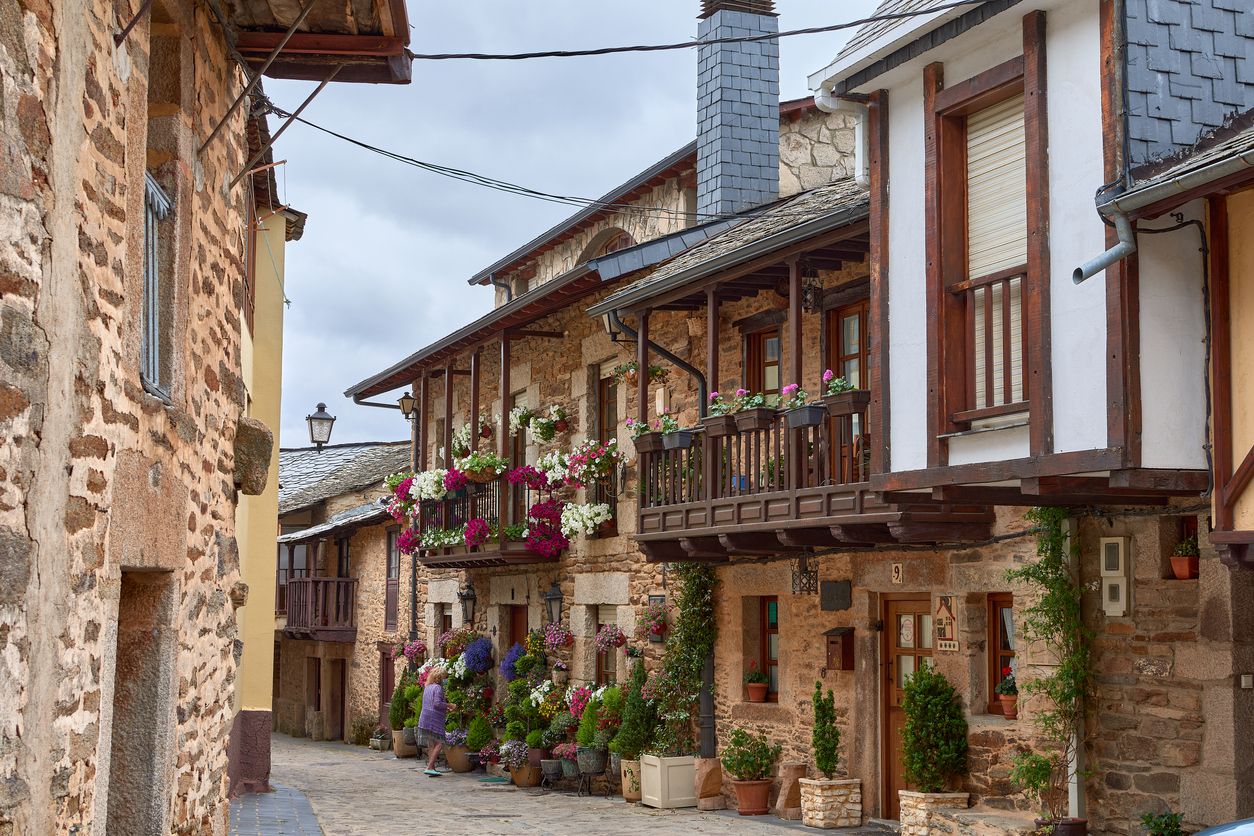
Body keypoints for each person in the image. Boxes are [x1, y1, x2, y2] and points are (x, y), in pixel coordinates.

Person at [419, 665, 454, 777]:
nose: (445, 680)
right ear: (440, 677)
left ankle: (432, 768)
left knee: (431, 743)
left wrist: (445, 707)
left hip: (425, 717)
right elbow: (437, 703)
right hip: (434, 718)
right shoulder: (438, 688)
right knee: (439, 742)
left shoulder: (427, 687)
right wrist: (449, 705)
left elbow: (431, 703)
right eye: (444, 677)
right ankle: (429, 767)